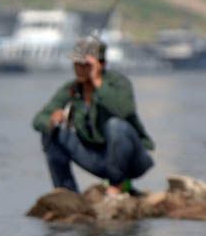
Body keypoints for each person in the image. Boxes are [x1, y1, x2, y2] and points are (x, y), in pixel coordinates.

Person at [32, 35, 154, 196]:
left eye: (85, 64)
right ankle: (66, 192)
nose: (79, 68)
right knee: (51, 133)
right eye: (76, 64)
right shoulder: (72, 89)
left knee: (115, 126)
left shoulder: (118, 82)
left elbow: (124, 110)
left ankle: (116, 186)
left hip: (133, 160)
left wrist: (97, 80)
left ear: (101, 64)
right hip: (99, 159)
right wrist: (52, 120)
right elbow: (38, 119)